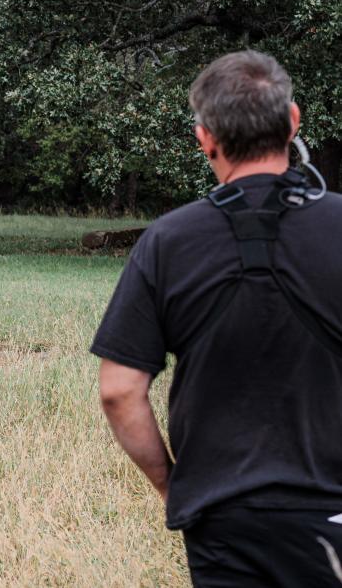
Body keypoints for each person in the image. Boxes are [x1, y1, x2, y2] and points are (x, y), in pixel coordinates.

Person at [92, 50, 342, 586]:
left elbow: (118, 390)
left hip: (222, 515)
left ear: (204, 137)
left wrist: (173, 486)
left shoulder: (169, 240)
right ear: (293, 120)